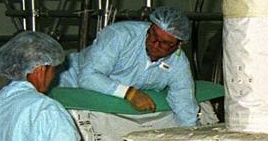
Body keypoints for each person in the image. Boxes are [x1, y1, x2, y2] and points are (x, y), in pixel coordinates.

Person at [58, 7, 199, 126]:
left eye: (165, 43)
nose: (155, 44)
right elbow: (88, 77)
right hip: (69, 85)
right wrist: (130, 93)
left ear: (179, 45)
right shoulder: (120, 35)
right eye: (153, 36)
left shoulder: (178, 63)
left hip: (106, 102)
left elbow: (184, 103)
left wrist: (195, 136)